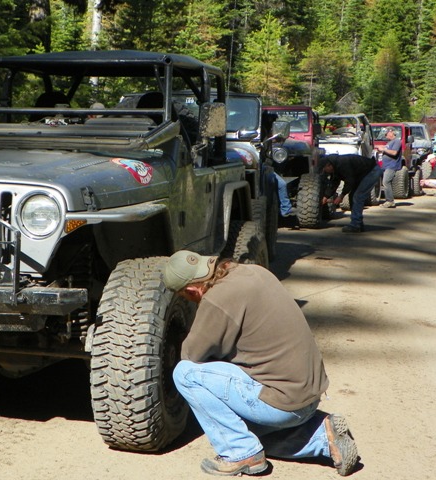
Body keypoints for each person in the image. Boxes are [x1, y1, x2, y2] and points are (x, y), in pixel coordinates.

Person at [163, 250, 359, 477]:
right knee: (241, 430)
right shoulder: (254, 272)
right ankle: (322, 437)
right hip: (307, 397)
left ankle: (241, 454)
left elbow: (192, 354)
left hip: (282, 404)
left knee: (185, 374)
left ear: (191, 290)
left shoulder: (218, 298)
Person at [320, 153, 383, 233]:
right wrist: (325, 197)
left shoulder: (342, 164)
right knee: (352, 196)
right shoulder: (335, 167)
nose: (324, 171)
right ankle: (358, 223)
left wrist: (341, 196)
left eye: (324, 169)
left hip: (371, 172)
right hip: (362, 174)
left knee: (358, 197)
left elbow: (350, 181)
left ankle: (355, 225)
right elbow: (334, 183)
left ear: (329, 165)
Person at [377, 127, 402, 208]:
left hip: (392, 165)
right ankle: (389, 200)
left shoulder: (397, 141)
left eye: (386, 133)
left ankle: (390, 201)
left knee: (386, 182)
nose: (385, 135)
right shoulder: (390, 142)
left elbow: (394, 152)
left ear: (391, 132)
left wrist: (383, 150)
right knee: (386, 182)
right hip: (386, 166)